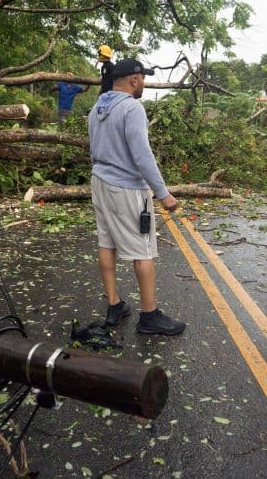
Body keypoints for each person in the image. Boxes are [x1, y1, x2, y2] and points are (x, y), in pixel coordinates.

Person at [88, 58, 185, 335]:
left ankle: (114, 305)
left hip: (100, 182)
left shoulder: (98, 107)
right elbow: (142, 156)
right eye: (143, 78)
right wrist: (163, 193)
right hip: (126, 188)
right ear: (134, 79)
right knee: (143, 249)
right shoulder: (132, 108)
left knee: (107, 243)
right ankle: (150, 316)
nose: (144, 83)